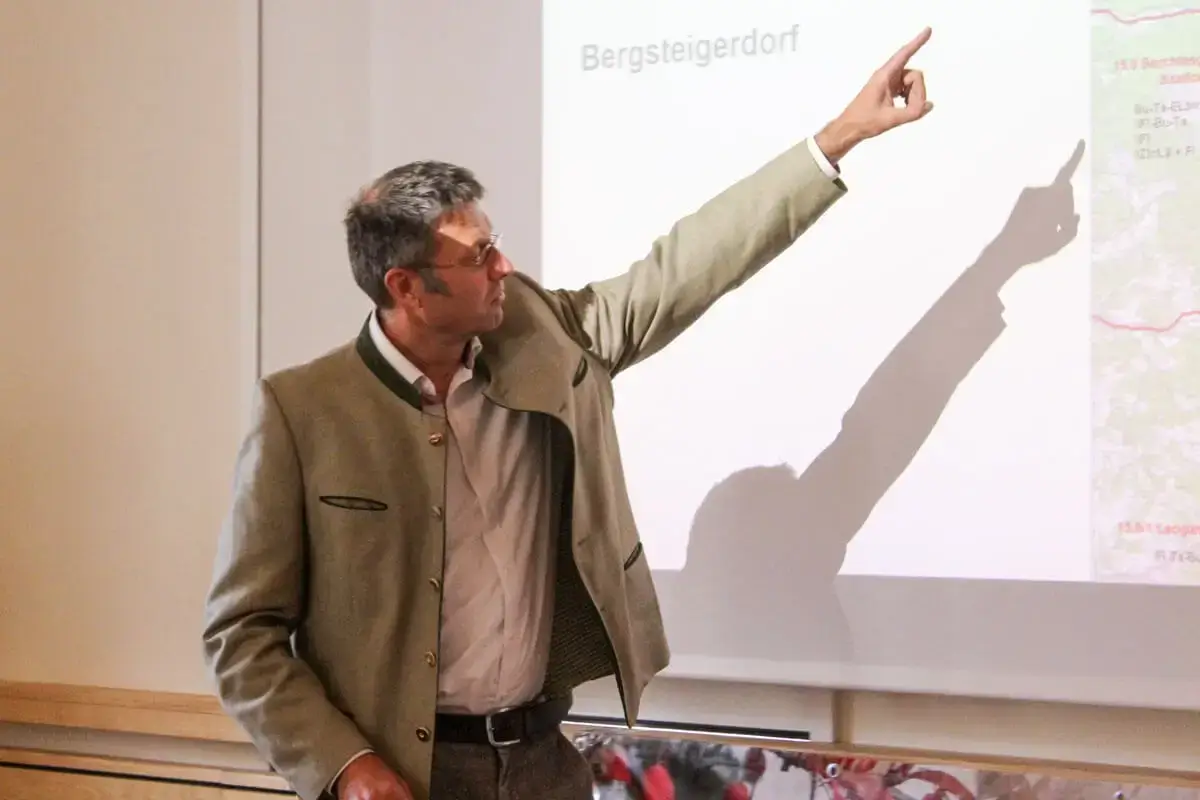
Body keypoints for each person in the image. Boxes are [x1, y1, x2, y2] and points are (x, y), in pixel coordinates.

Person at [201, 27, 935, 800]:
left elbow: (685, 267)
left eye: (496, 242)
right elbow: (241, 636)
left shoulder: (545, 335)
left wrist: (838, 138)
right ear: (407, 288)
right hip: (404, 779)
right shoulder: (303, 412)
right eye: (477, 256)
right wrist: (346, 766)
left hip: (544, 764)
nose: (504, 267)